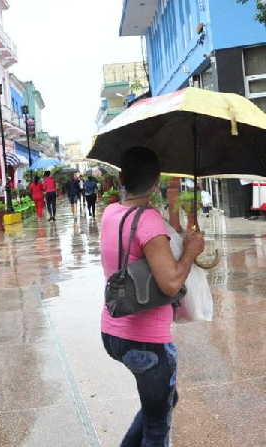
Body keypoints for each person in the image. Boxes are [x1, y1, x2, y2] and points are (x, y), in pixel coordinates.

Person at [100, 146, 205, 446]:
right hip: (146, 342)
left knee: (163, 401)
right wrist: (190, 251)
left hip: (113, 332)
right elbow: (171, 283)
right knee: (158, 428)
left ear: (121, 177)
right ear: (156, 182)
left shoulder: (111, 213)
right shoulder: (147, 221)